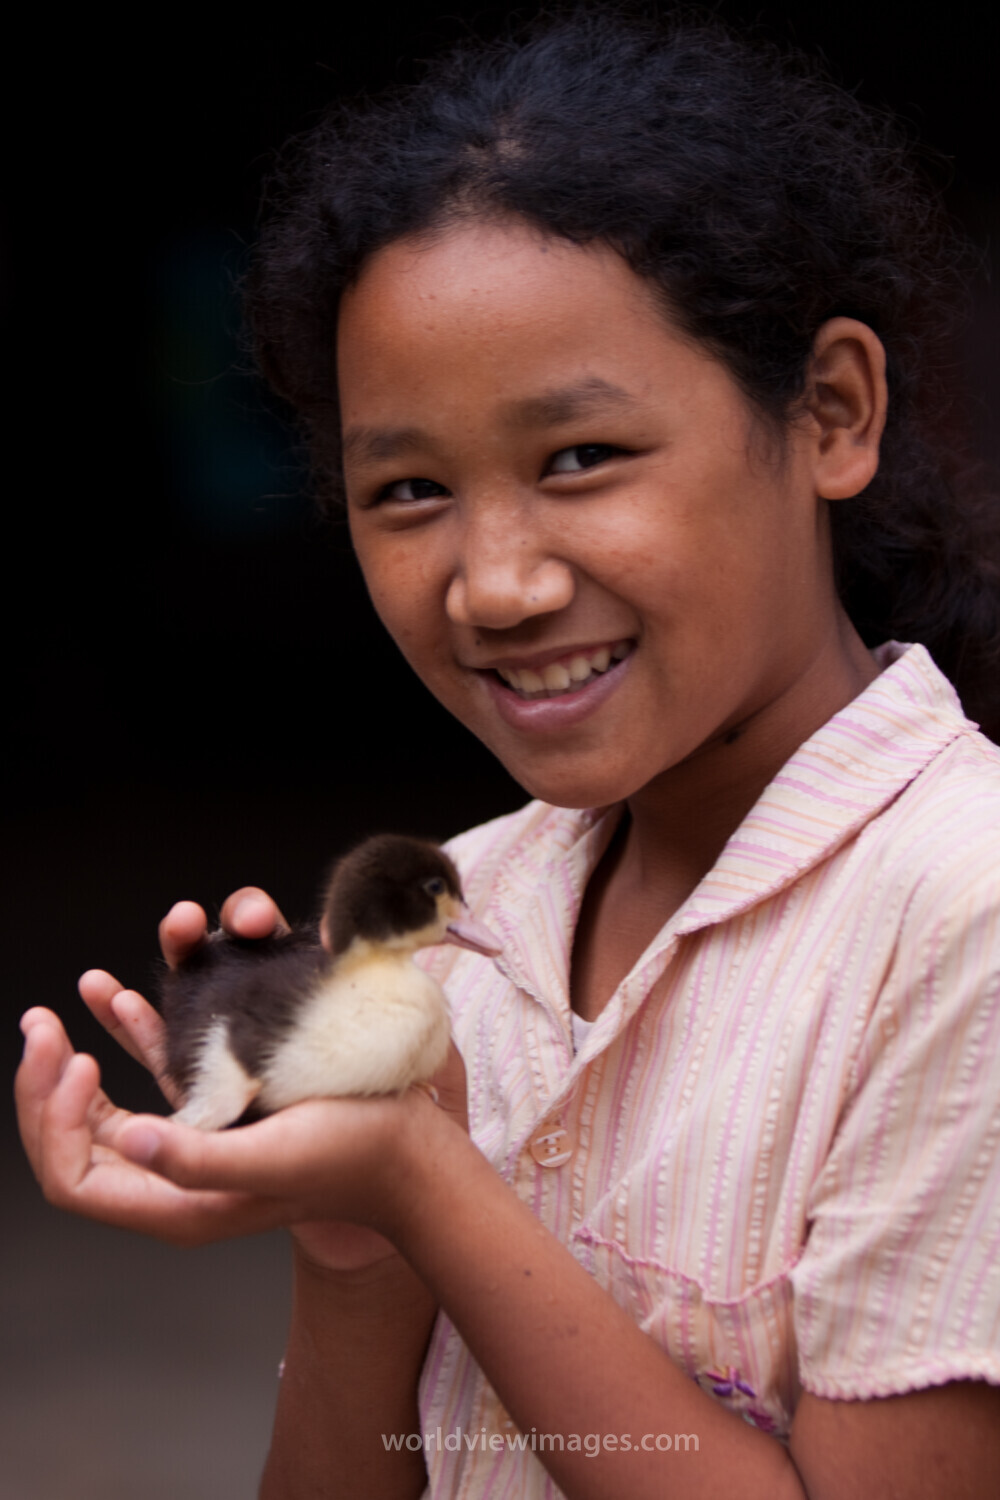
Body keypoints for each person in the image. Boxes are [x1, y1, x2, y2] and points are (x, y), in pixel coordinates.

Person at [16, 10, 1000, 1497]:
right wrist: (357, 1244)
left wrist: (429, 1188)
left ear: (831, 414)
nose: (493, 583)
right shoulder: (465, 915)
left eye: (580, 460)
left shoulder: (961, 916)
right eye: (406, 489)